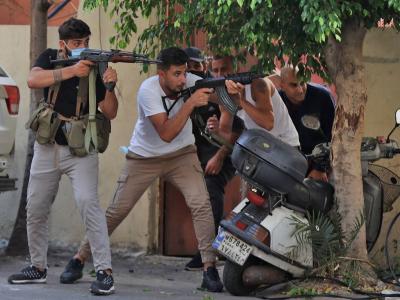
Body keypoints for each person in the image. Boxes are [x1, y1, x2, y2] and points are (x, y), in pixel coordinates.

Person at [58, 47, 224, 292]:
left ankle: (209, 268)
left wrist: (228, 94)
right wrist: (190, 103)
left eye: (184, 73)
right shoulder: (148, 90)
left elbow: (222, 99)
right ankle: (80, 257)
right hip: (144, 157)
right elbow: (166, 133)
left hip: (182, 156)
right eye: (176, 74)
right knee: (116, 211)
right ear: (161, 74)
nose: (182, 79)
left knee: (201, 204)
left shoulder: (192, 81)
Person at [8, 18, 118, 295]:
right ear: (63, 45)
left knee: (88, 204)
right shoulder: (50, 57)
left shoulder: (96, 68)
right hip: (48, 146)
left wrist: (110, 85)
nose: (83, 48)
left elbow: (111, 111)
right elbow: (33, 80)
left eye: (86, 43)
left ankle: (104, 272)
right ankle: (38, 267)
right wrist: (71, 71)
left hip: (81, 149)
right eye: (77, 44)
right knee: (36, 206)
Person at [183, 48, 244, 270]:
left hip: (223, 153)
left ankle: (208, 252)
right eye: (188, 68)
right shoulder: (185, 89)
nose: (192, 72)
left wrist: (219, 156)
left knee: (211, 191)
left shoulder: (220, 90)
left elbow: (237, 130)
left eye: (196, 67)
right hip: (196, 154)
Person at [212, 56, 300, 147]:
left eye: (224, 69)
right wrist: (216, 131)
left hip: (287, 146)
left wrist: (241, 100)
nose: (219, 74)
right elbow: (226, 136)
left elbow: (268, 123)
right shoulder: (224, 96)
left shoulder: (258, 83)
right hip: (263, 149)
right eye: (215, 71)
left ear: (235, 69)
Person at [279, 66, 335, 181]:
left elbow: (334, 136)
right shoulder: (276, 100)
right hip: (286, 164)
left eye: (303, 83)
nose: (300, 89)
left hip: (320, 162)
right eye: (293, 85)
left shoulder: (323, 97)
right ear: (282, 85)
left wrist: (320, 168)